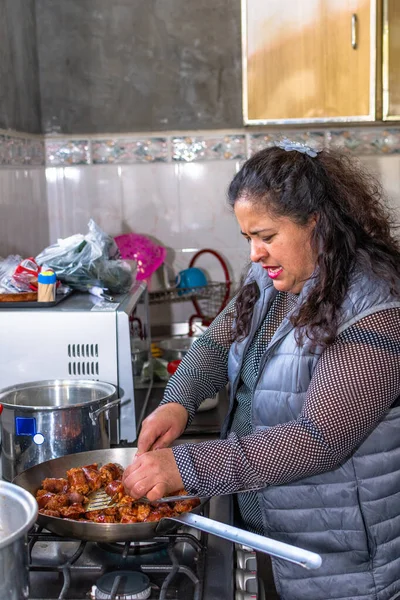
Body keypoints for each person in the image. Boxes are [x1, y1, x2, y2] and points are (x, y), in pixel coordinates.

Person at [123, 140, 400, 600]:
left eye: (267, 236)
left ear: (318, 223)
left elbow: (320, 439)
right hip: (273, 532)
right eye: (248, 238)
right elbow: (216, 342)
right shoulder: (274, 278)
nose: (254, 254)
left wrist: (187, 468)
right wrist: (178, 400)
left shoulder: (376, 309)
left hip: (342, 562)